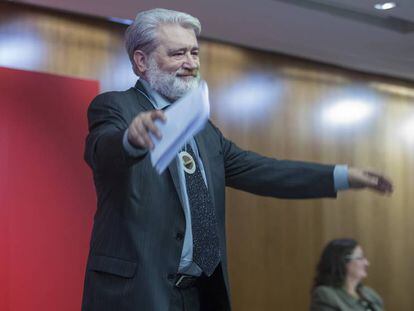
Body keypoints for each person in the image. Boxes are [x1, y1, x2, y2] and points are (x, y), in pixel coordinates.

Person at [81, 8, 393, 311]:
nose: (190, 63)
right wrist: (130, 140)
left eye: (194, 53)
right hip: (136, 294)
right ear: (141, 61)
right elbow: (101, 151)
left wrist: (344, 176)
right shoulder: (116, 106)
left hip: (199, 293)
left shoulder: (203, 130)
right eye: (177, 54)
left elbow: (263, 170)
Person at [310, 239, 384, 311]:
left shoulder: (369, 293)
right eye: (360, 258)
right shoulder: (325, 295)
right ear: (342, 261)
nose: (367, 263)